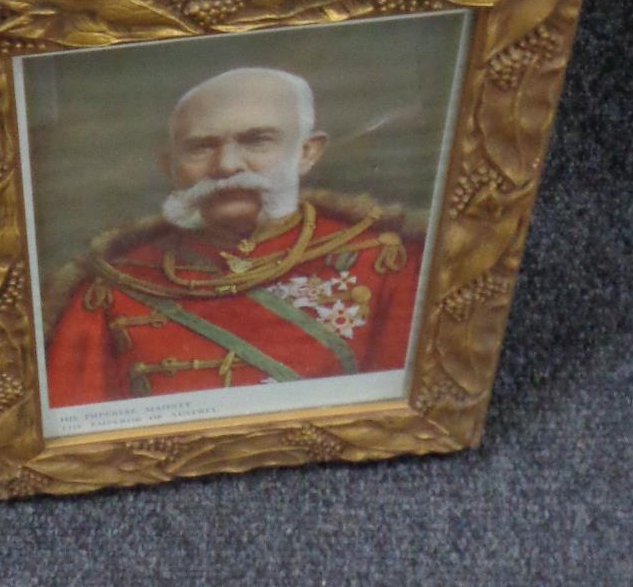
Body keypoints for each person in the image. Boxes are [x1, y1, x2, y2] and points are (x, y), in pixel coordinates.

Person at [43, 66, 424, 408]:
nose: (226, 166)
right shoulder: (110, 291)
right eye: (200, 147)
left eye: (257, 140)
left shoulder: (387, 264)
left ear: (307, 153)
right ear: (169, 166)